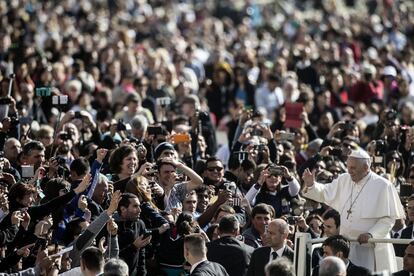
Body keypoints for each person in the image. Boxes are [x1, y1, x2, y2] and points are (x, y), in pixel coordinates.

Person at [302, 148, 405, 272]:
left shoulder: (383, 185)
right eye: (348, 167)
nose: (349, 171)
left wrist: (371, 234)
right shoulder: (344, 179)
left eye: (353, 168)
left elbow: (389, 219)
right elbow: (325, 192)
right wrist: (311, 185)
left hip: (370, 248)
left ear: (366, 167)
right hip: (348, 246)